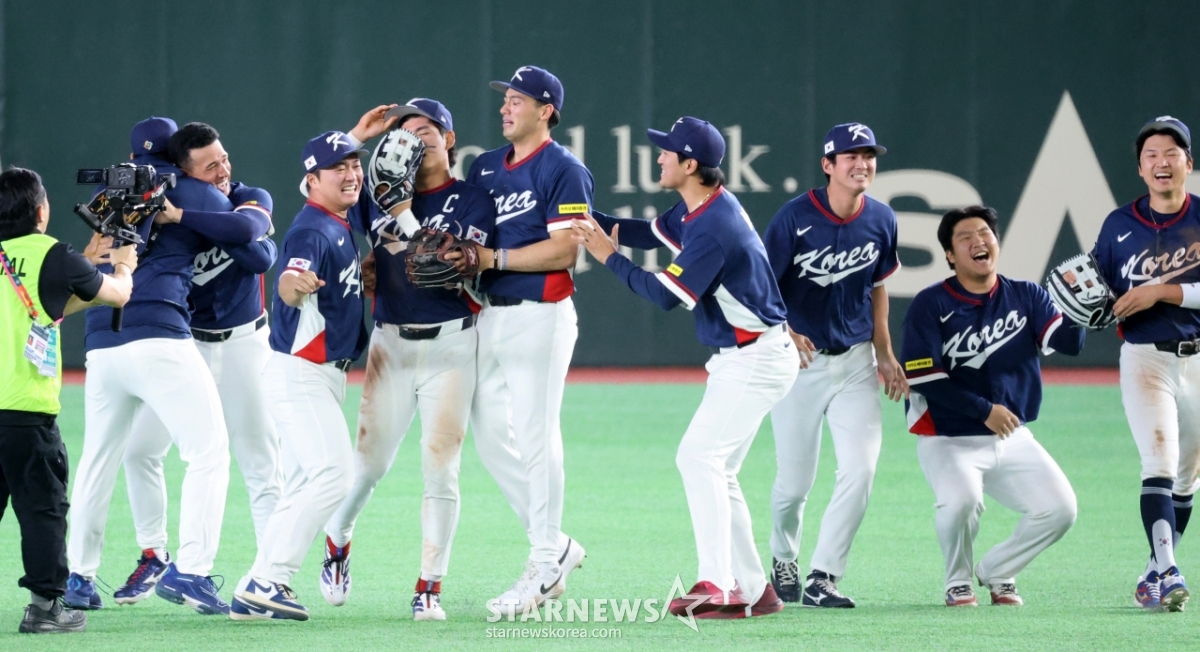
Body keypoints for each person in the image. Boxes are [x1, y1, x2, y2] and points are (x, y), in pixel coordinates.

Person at [576, 117, 798, 619]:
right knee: (720, 470)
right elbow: (645, 233)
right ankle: (754, 589)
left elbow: (665, 295)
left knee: (698, 457)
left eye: (666, 151)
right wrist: (577, 214)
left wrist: (609, 257)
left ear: (690, 164)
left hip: (757, 357)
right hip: (749, 354)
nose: (658, 157)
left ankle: (716, 584)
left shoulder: (714, 227)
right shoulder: (702, 205)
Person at [65, 117, 271, 615]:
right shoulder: (193, 191)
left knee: (98, 459)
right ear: (177, 161)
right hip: (159, 335)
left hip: (101, 339)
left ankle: (78, 576)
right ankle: (191, 571)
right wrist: (181, 214)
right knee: (208, 452)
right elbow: (254, 242)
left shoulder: (108, 194)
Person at [320, 98, 495, 621]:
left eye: (424, 132)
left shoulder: (472, 199)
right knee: (367, 467)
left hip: (453, 345)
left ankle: (429, 587)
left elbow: (442, 261)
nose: (413, 142)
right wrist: (355, 138)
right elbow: (319, 185)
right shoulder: (374, 192)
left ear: (449, 139)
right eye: (402, 135)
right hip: (391, 345)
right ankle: (337, 539)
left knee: (442, 470)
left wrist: (402, 214)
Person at [230, 123, 387, 622]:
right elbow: (289, 280)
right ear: (312, 180)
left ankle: (253, 589)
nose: (351, 174)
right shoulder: (312, 229)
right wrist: (294, 285)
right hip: (302, 372)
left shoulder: (337, 222)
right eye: (338, 168)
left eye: (355, 165)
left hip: (319, 374)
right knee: (335, 475)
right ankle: (268, 580)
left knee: (302, 485)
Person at [901, 205, 1083, 607]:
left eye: (985, 234)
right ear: (950, 255)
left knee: (1060, 510)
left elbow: (1068, 343)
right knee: (962, 501)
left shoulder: (1026, 295)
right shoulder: (930, 303)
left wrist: (1079, 311)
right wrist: (984, 410)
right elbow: (924, 377)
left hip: (1010, 435)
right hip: (948, 438)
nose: (978, 242)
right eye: (965, 237)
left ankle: (998, 569)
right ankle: (958, 580)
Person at [462, 65, 592, 612]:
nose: (505, 107)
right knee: (490, 434)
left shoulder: (564, 169)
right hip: (490, 313)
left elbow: (566, 250)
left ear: (546, 111)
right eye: (505, 99)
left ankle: (543, 562)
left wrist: (494, 258)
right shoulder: (485, 167)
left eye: (517, 100)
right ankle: (555, 544)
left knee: (537, 434)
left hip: (541, 314)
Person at [761, 122, 905, 607]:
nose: (862, 164)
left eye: (869, 155)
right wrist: (783, 330)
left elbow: (878, 287)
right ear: (828, 165)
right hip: (799, 365)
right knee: (793, 484)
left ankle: (823, 576)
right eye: (851, 156)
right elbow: (761, 287)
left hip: (857, 361)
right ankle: (784, 556)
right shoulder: (793, 218)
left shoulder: (881, 218)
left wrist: (885, 353)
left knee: (860, 471)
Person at [0, 168, 136, 633]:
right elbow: (117, 295)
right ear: (41, 210)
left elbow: (48, 307)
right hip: (26, 411)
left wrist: (88, 266)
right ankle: (45, 609)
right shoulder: (53, 255)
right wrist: (122, 265)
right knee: (43, 511)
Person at [1090, 116, 1200, 612]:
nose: (1162, 162)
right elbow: (1097, 289)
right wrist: (1089, 305)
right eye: (1152, 154)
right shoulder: (1119, 224)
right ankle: (1169, 569)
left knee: (1187, 477)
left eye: (1172, 153)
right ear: (1140, 168)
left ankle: (1151, 574)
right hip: (1145, 358)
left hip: (1198, 359)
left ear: (1188, 163)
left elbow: (1159, 292)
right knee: (1158, 463)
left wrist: (1161, 291)